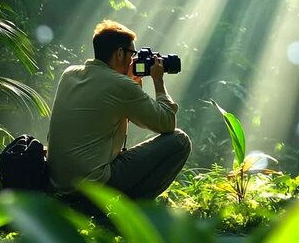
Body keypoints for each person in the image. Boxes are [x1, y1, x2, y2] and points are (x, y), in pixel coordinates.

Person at [46, 20, 191, 199]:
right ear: (120, 53)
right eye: (132, 53)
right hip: (92, 188)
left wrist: (131, 82)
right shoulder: (119, 85)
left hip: (58, 184)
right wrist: (158, 81)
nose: (133, 59)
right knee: (179, 141)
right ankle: (130, 207)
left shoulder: (69, 74)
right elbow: (167, 123)